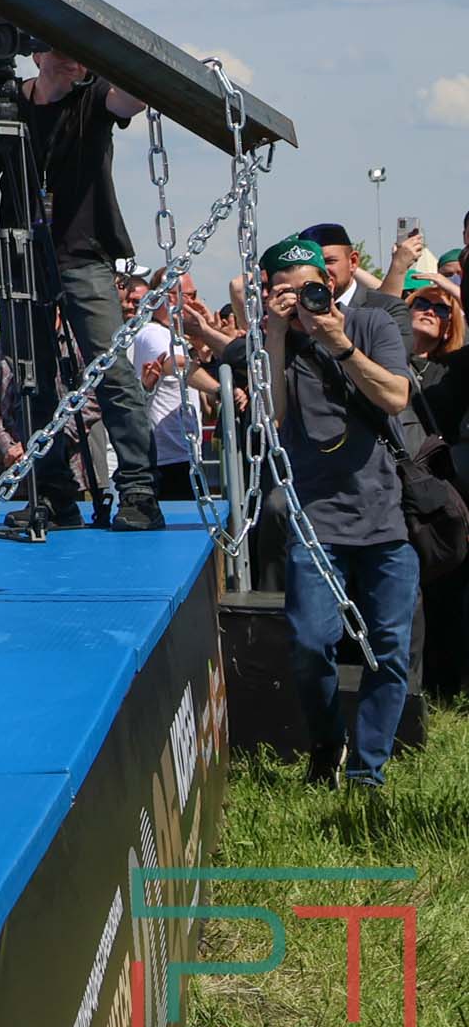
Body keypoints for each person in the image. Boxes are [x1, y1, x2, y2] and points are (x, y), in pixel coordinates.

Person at [216, 234, 419, 788]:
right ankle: (327, 743)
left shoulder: (372, 324)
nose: (296, 298)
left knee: (389, 650)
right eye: (281, 292)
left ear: (327, 285)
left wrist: (338, 342)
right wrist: (278, 334)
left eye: (305, 288)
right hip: (315, 521)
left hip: (384, 517)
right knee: (309, 644)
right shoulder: (270, 342)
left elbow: (396, 397)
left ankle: (367, 772)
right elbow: (272, 423)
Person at [10, 47, 161, 527]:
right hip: (23, 258)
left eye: (79, 52)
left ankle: (138, 490)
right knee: (30, 377)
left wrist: (107, 47)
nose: (73, 59)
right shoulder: (7, 106)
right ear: (35, 55)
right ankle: (54, 492)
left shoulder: (93, 95)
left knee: (111, 369)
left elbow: (133, 100)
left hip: (83, 252)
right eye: (60, 49)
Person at [128, 269, 201, 507]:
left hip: (185, 455)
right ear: (170, 297)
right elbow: (174, 363)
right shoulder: (153, 333)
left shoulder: (177, 336)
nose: (194, 302)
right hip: (168, 459)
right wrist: (220, 387)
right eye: (189, 295)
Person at [406, 273, 466, 446]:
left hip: (438, 467)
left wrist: (452, 289)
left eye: (441, 309)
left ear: (449, 329)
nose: (430, 311)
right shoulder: (387, 360)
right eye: (422, 304)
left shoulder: (455, 367)